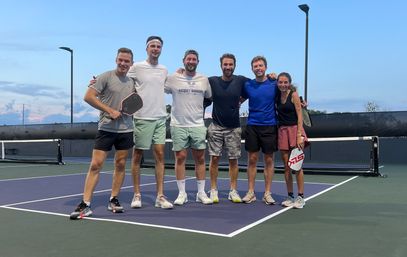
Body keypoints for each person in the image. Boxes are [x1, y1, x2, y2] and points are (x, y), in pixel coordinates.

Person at [70, 47, 136, 219]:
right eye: (120, 60)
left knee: (120, 164)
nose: (123, 63)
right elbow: (89, 96)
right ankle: (86, 204)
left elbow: (132, 103)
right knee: (95, 165)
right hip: (106, 128)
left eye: (126, 61)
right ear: (116, 60)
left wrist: (126, 112)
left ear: (131, 63)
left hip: (126, 130)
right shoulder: (105, 77)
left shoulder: (131, 82)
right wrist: (110, 111)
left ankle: (114, 199)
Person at [127, 36, 173, 209]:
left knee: (160, 156)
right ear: (147, 49)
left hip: (160, 118)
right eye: (152, 46)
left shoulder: (164, 69)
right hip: (141, 117)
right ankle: (137, 194)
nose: (155, 49)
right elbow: (122, 77)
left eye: (158, 46)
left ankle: (160, 196)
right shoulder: (137, 67)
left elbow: (168, 86)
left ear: (161, 49)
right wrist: (98, 81)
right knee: (137, 156)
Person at [164, 49, 213, 205]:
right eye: (188, 59)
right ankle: (182, 194)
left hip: (198, 124)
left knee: (200, 158)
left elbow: (208, 97)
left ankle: (201, 193)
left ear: (197, 62)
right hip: (178, 125)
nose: (191, 61)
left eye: (194, 59)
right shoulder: (173, 78)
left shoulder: (204, 79)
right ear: (183, 60)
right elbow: (158, 88)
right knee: (181, 158)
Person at [206, 53, 248, 203]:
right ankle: (213, 190)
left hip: (234, 128)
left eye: (230, 64)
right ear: (221, 65)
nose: (228, 67)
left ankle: (233, 190)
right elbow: (194, 80)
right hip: (215, 127)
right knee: (214, 159)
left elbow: (257, 84)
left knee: (233, 160)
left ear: (234, 66)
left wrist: (271, 77)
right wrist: (181, 72)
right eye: (225, 64)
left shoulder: (241, 80)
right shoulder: (212, 81)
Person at [241, 56, 278, 205]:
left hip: (270, 126)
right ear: (252, 69)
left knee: (269, 160)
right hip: (252, 126)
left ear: (266, 67)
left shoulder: (274, 83)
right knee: (252, 160)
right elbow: (238, 100)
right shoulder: (248, 85)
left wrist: (301, 104)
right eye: (255, 66)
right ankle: (251, 192)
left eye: (260, 66)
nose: (258, 68)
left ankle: (267, 193)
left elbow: (287, 95)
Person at [276, 72, 308, 209]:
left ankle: (300, 197)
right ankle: (290, 196)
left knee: (297, 166)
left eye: (285, 82)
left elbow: (300, 115)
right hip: (282, 132)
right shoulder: (276, 95)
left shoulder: (294, 95)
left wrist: (299, 135)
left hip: (295, 131)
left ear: (289, 83)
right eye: (280, 82)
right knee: (287, 167)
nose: (283, 84)